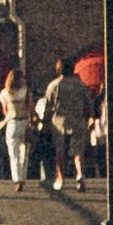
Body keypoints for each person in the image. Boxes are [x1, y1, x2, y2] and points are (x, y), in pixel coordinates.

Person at [40, 58, 84, 187]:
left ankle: (60, 178)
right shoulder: (80, 85)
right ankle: (80, 173)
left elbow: (48, 105)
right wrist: (90, 117)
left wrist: (45, 121)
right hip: (77, 119)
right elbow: (88, 102)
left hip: (59, 121)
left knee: (60, 150)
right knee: (78, 150)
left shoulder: (54, 85)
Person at [0, 62, 38, 187]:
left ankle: (17, 179)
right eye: (23, 77)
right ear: (19, 79)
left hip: (11, 123)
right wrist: (33, 121)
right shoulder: (26, 92)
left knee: (13, 152)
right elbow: (30, 108)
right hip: (24, 121)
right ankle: (22, 176)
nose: (25, 79)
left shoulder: (5, 93)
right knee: (24, 152)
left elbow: (5, 110)